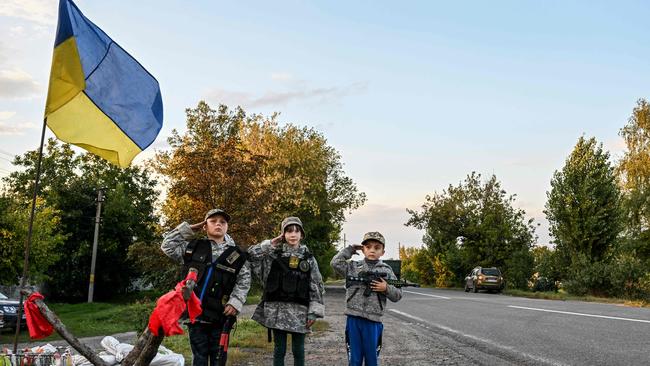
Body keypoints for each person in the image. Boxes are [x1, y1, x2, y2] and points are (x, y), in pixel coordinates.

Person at [161, 208, 251, 366]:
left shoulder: (236, 254)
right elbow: (167, 246)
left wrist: (235, 302)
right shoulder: (194, 247)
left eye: (222, 222)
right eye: (213, 221)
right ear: (205, 226)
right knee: (200, 358)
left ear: (227, 227)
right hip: (196, 316)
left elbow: (244, 280)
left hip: (222, 315)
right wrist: (189, 229)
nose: (218, 224)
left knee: (218, 359)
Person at [248, 217, 325, 366]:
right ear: (283, 234)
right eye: (289, 231)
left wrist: (314, 311)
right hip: (277, 310)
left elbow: (316, 285)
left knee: (298, 350)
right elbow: (251, 255)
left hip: (300, 311)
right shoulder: (273, 255)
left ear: (301, 235)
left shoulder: (308, 258)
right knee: (279, 349)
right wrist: (271, 243)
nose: (293, 234)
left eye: (297, 231)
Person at [330, 231, 402, 366]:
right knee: (354, 359)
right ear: (363, 249)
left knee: (372, 360)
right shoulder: (353, 267)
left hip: (373, 322)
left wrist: (386, 287)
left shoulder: (387, 271)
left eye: (377, 247)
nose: (372, 250)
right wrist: (350, 249)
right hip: (354, 319)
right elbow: (335, 263)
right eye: (368, 247)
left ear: (383, 252)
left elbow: (398, 295)